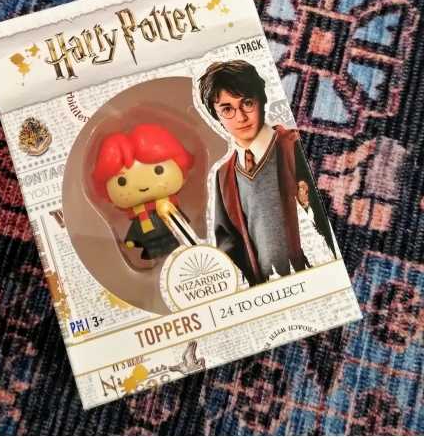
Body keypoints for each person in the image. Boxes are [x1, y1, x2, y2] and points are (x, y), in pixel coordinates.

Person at [198, 60, 336, 286]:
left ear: (262, 100)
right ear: (216, 115)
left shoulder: (295, 146)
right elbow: (229, 246)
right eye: (227, 109)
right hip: (269, 289)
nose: (241, 117)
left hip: (320, 274)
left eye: (247, 103)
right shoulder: (223, 176)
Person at [92, 123, 193, 261]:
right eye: (122, 181)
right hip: (150, 243)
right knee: (153, 250)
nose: (142, 185)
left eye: (158, 170)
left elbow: (178, 218)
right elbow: (135, 228)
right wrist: (131, 239)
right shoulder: (139, 214)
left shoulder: (167, 206)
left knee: (174, 244)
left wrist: (183, 223)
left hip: (172, 236)